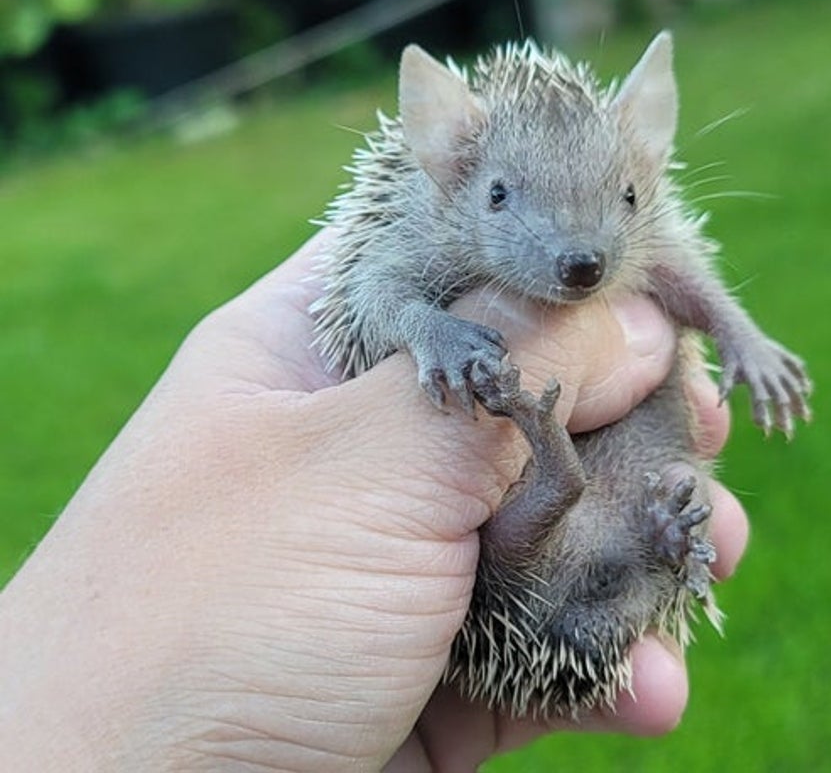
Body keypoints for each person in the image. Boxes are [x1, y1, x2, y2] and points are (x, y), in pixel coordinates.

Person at [0, 228, 748, 771]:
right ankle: (623, 518)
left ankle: (628, 523)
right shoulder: (409, 245)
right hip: (539, 570)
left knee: (647, 518)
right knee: (632, 520)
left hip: (585, 554)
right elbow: (384, 296)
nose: (575, 253)